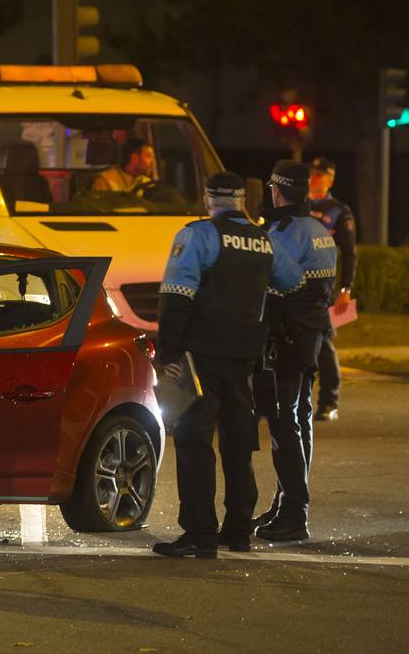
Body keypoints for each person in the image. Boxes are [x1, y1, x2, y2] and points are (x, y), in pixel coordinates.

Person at [151, 172, 302, 559]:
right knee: (238, 445)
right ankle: (238, 531)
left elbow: (176, 295)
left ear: (208, 198)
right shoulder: (261, 238)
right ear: (241, 200)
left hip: (201, 354)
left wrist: (166, 353)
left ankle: (200, 534)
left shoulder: (198, 235)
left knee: (194, 442)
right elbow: (292, 281)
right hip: (245, 358)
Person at [254, 160, 338, 543]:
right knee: (299, 417)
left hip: (286, 340)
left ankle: (293, 513)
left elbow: (270, 291)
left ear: (277, 190)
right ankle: (286, 501)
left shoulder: (283, 234)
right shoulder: (319, 229)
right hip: (311, 337)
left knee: (282, 422)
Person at [307, 156, 357, 421]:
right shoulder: (298, 204)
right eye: (312, 174)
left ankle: (329, 401)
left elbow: (349, 253)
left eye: (319, 175)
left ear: (330, 179)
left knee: (323, 341)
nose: (314, 179)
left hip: (322, 287)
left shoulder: (338, 210)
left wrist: (345, 289)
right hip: (295, 283)